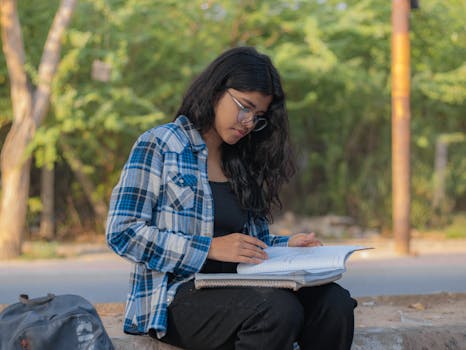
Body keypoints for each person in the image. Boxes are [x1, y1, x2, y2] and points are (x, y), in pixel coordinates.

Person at [106, 46, 357, 350]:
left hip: (247, 286)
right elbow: (122, 231)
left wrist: (287, 245)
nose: (248, 122)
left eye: (258, 116)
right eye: (244, 106)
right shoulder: (159, 144)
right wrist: (208, 248)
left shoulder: (241, 161)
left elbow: (244, 245)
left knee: (335, 303)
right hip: (175, 296)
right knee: (277, 310)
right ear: (215, 90)